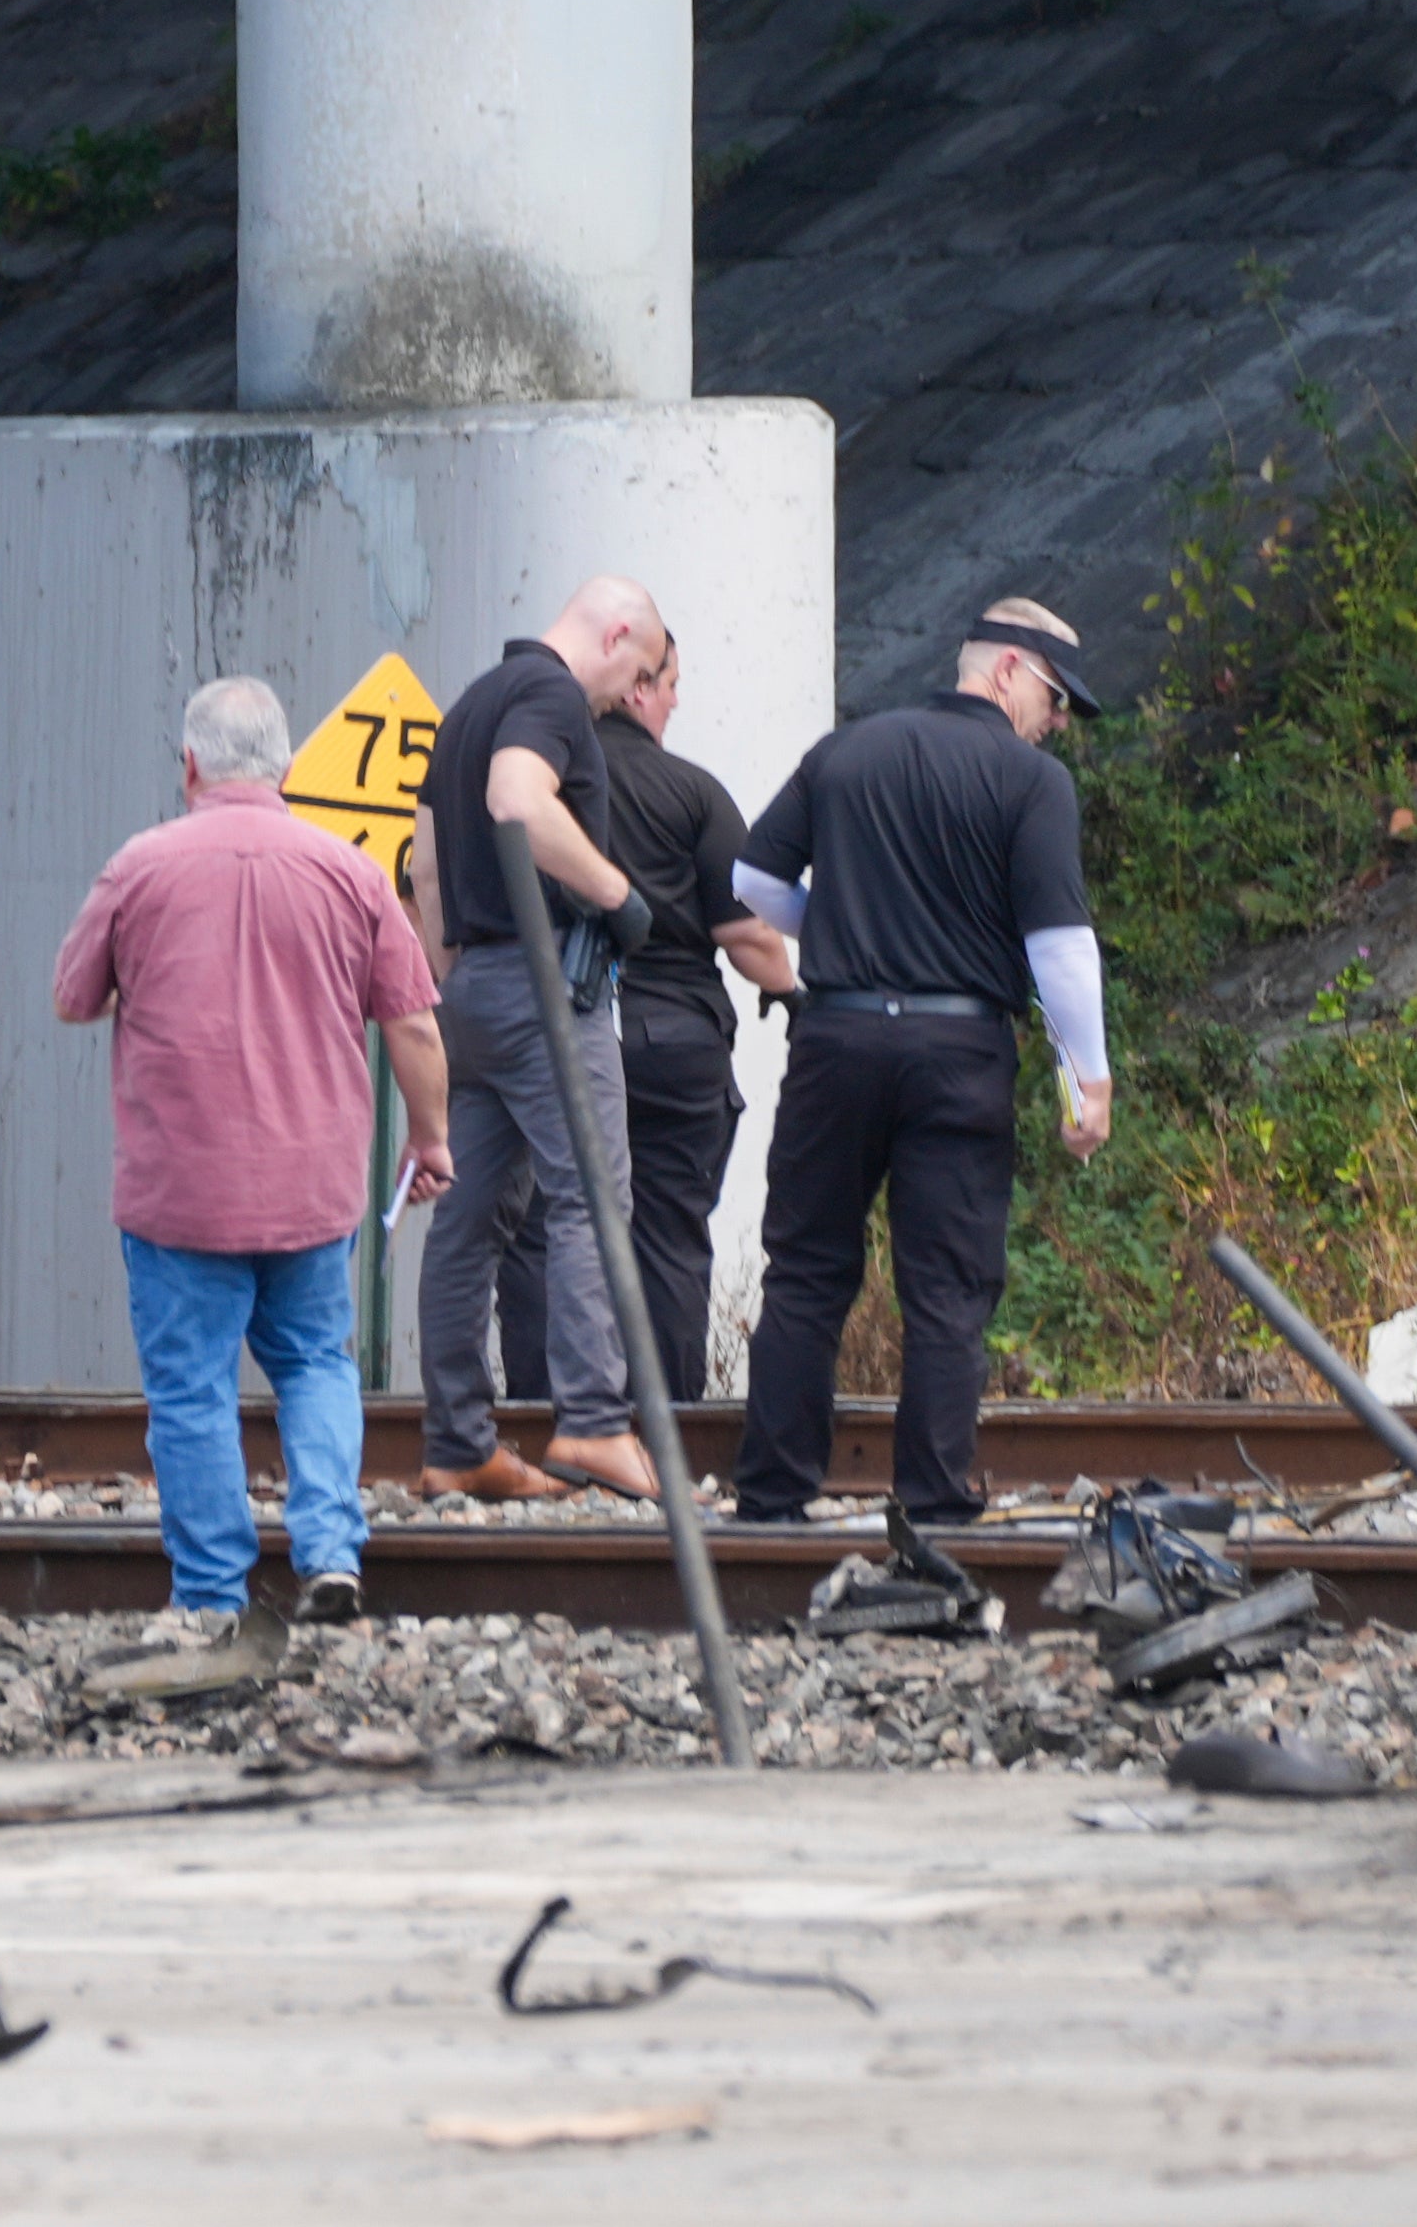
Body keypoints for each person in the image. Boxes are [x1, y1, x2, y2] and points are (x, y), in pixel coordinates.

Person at [53, 676, 457, 1659]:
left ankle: (211, 1592)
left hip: (178, 1188)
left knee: (191, 1387)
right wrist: (430, 1135)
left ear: (190, 763)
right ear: (281, 766)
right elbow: (411, 1018)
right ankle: (329, 1553)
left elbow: (74, 996)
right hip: (313, 1185)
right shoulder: (351, 872)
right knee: (317, 1363)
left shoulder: (137, 867)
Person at [722, 598, 1113, 1527]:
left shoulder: (843, 752)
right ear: (1007, 671)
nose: (1056, 723)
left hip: (838, 1039)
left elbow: (751, 884)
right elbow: (1058, 944)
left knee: (806, 1268)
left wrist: (842, 936)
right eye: (1055, 699)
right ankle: (932, 1503)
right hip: (957, 1049)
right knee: (946, 1286)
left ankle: (772, 1496)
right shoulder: (1028, 781)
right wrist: (1086, 1079)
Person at [407, 575, 671, 1505]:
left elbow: (426, 868)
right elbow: (517, 800)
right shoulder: (552, 695)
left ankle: (456, 1443)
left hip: (470, 990)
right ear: (614, 632)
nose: (626, 699)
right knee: (590, 1200)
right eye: (633, 673)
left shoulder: (468, 704)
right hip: (545, 985)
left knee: (469, 1221)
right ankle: (594, 1422)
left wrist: (451, 985)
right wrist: (613, 893)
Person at [492, 634, 801, 1405]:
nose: (674, 701)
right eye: (669, 685)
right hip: (671, 1046)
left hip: (555, 1037)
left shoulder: (540, 783)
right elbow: (747, 936)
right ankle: (667, 1433)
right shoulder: (690, 791)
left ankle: (544, 1416)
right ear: (637, 688)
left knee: (540, 1230)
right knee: (665, 1238)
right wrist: (792, 992)